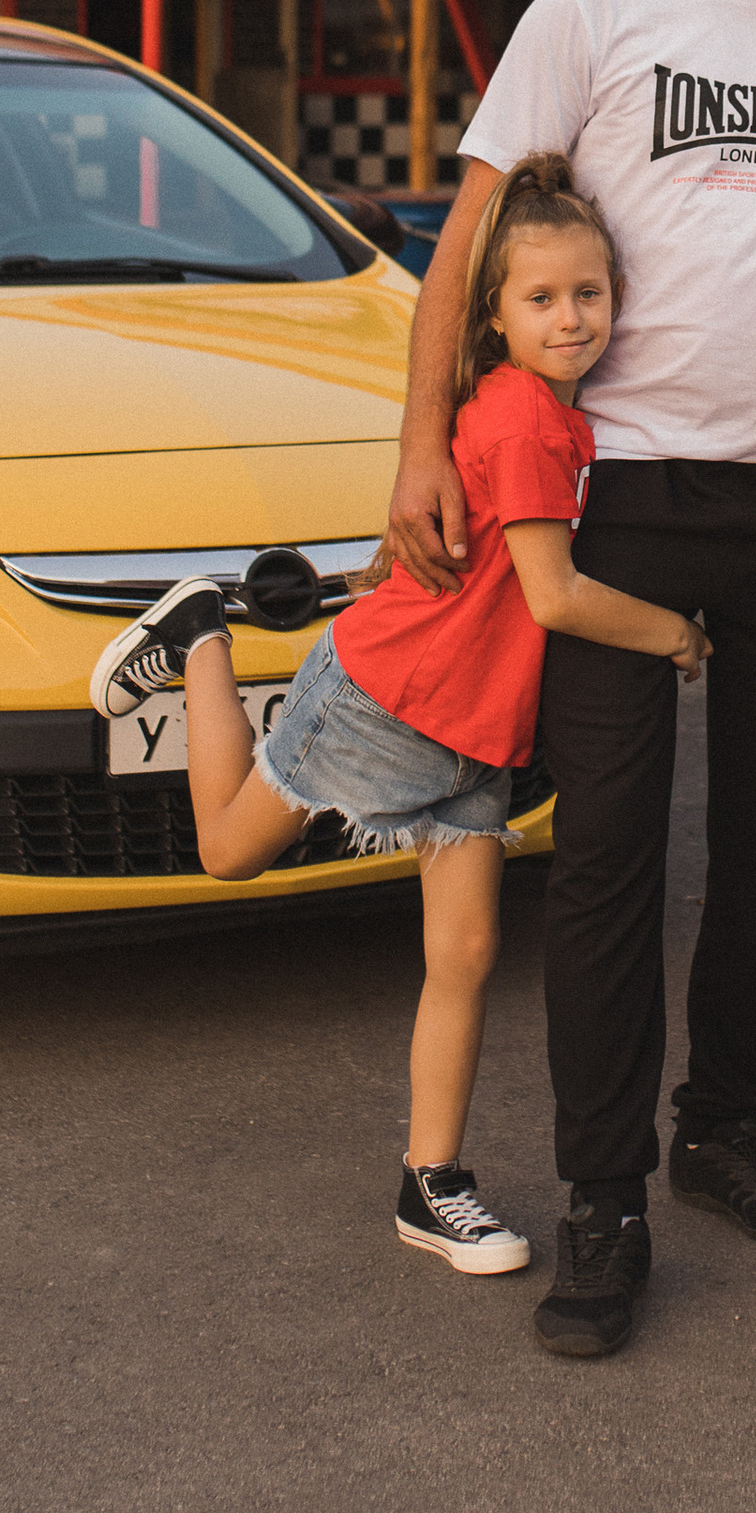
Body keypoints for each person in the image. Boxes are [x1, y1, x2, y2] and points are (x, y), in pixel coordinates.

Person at [384, 0, 756, 1362]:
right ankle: (600, 1197)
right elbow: (472, 231)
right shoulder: (600, 7)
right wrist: (421, 439)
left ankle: (724, 1130)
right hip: (615, 501)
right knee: (606, 869)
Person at [89, 158, 706, 1284]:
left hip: (473, 727)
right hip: (387, 698)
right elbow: (558, 594)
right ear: (492, 314)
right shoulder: (524, 416)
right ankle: (201, 643)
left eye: (590, 295)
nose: (571, 319)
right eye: (541, 300)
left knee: (465, 953)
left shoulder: (556, 412)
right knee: (227, 852)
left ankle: (433, 1182)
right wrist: (676, 633)